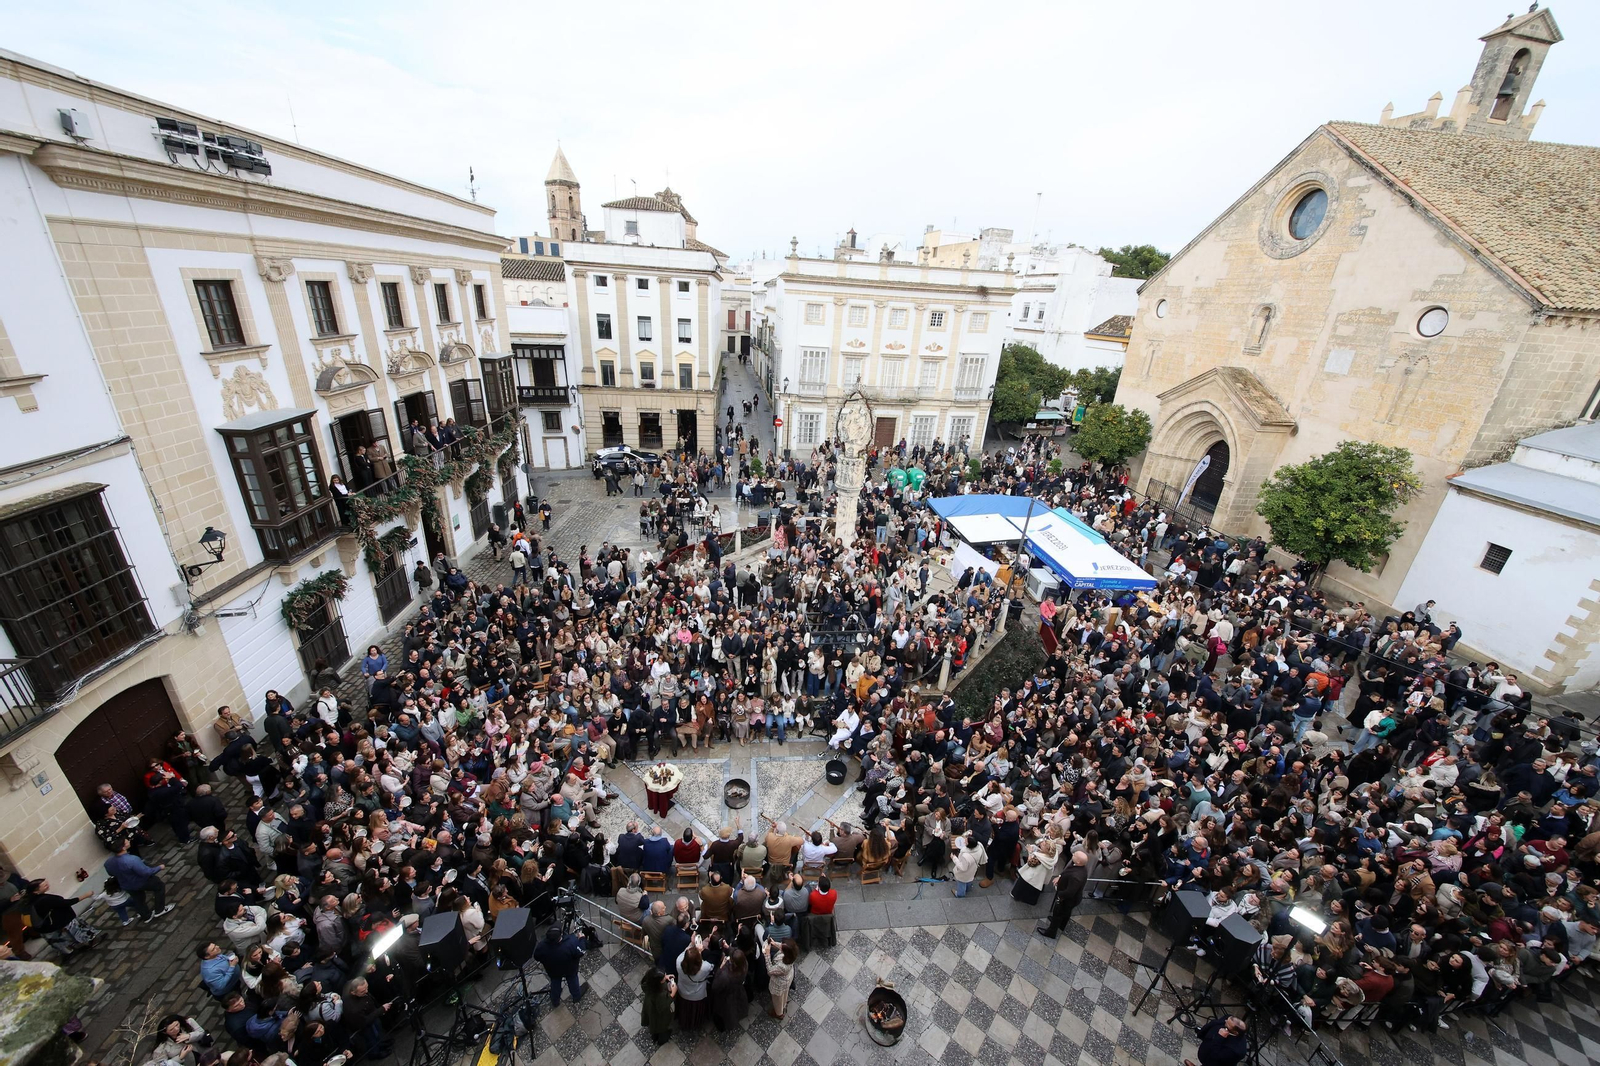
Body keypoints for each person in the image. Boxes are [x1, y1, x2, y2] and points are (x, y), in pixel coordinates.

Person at [104, 837, 173, 923]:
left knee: (138, 899)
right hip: (141, 882)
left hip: (126, 885)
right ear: (123, 847)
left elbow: (111, 873)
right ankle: (160, 910)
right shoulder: (132, 860)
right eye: (127, 842)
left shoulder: (108, 862)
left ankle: (146, 916)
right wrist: (159, 867)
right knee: (159, 886)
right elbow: (146, 872)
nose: (129, 841)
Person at [1036, 850, 1088, 939]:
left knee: (1058, 913)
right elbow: (1066, 872)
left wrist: (1060, 894)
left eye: (1075, 855)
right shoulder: (1080, 867)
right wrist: (1060, 877)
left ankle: (1051, 932)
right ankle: (1061, 925)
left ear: (1079, 861)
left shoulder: (1076, 877)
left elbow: (1070, 892)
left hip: (1067, 900)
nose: (1073, 854)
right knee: (1066, 913)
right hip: (1072, 898)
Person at [531, 924, 586, 1007]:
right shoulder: (570, 943)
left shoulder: (542, 946)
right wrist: (581, 939)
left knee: (555, 983)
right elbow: (581, 951)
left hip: (553, 971)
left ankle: (555, 1001)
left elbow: (537, 957)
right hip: (570, 969)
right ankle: (576, 996)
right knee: (572, 981)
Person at [640, 969, 675, 1045]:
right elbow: (663, 1006)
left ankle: (654, 1035)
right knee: (662, 1029)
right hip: (659, 1017)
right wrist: (672, 994)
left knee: (653, 1025)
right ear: (658, 982)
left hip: (650, 1009)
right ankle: (661, 1040)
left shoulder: (648, 985)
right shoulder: (659, 995)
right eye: (663, 978)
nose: (665, 977)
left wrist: (664, 977)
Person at [765, 938, 797, 1019]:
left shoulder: (782, 966)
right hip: (787, 978)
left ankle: (779, 1014)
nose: (780, 945)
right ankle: (784, 1004)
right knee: (785, 993)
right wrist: (774, 943)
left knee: (777, 999)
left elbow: (770, 970)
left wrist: (767, 955)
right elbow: (783, 947)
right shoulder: (792, 953)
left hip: (779, 984)